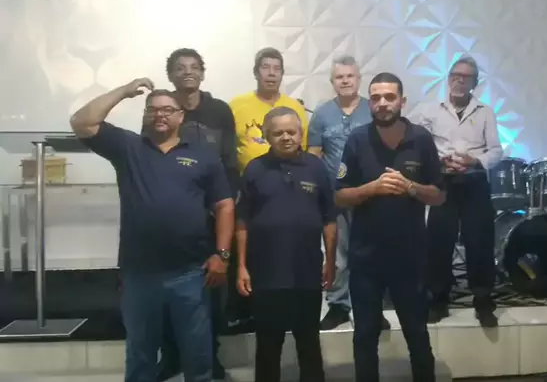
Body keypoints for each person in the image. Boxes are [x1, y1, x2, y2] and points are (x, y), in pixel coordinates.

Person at [70, 78, 234, 382]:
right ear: (145, 114)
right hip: (139, 275)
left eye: (168, 109)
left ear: (181, 116)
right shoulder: (128, 147)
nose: (160, 114)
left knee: (198, 357)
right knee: (141, 356)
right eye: (153, 109)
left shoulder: (203, 156)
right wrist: (123, 91)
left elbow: (224, 205)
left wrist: (222, 254)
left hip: (191, 273)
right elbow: (82, 122)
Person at [335, 72, 445, 382]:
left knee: (417, 332)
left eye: (389, 97)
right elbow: (339, 196)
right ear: (369, 103)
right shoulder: (357, 139)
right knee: (365, 335)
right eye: (376, 98)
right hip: (366, 257)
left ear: (402, 101)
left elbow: (439, 196)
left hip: (410, 256)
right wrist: (372, 189)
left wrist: (410, 186)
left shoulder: (421, 139)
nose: (382, 103)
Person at [155, 48, 239, 381]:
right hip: (172, 216)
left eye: (193, 67)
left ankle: (210, 357)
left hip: (215, 214)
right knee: (167, 288)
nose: (187, 72)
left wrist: (226, 202)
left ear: (202, 73)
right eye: (180, 68)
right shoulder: (162, 109)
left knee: (212, 289)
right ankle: (171, 356)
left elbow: (230, 161)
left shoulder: (220, 111)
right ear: (171, 75)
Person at [236, 107, 337, 382]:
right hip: (266, 275)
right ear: (267, 135)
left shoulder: (316, 167)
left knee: (309, 343)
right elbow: (242, 221)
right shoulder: (255, 169)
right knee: (268, 346)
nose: (285, 137)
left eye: (291, 132)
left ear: (301, 133)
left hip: (307, 272)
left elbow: (329, 220)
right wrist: (241, 266)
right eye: (278, 132)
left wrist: (330, 262)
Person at [408, 56, 503, 327]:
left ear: (475, 83)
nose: (459, 80)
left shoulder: (485, 112)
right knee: (439, 242)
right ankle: (438, 300)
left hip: (475, 183)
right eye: (455, 75)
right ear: (448, 78)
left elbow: (497, 150)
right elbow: (413, 140)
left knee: (480, 242)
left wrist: (476, 161)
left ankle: (483, 300)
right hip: (443, 183)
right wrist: (438, 160)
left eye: (466, 77)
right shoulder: (429, 110)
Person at [307, 55, 391, 331]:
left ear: (358, 79)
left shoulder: (373, 109)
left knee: (372, 255)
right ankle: (339, 306)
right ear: (332, 81)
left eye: (350, 76)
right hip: (335, 197)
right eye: (339, 77)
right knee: (338, 255)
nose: (345, 81)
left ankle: (372, 308)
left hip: (370, 196)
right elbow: (314, 156)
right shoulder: (322, 114)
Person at [230, 47, 309, 175]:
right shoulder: (236, 105)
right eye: (265, 67)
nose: (271, 73)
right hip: (247, 180)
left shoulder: (296, 107)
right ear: (256, 72)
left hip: (290, 178)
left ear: (282, 74)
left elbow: (304, 148)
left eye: (277, 69)